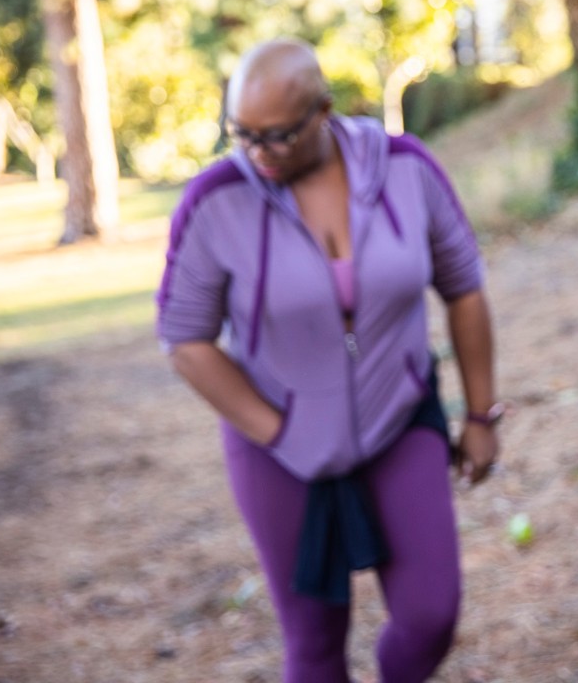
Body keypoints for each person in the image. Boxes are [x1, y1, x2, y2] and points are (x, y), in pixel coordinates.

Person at [156, 38, 501, 682]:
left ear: (324, 110)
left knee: (431, 616)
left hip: (400, 419)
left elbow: (464, 288)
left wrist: (481, 413)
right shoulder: (213, 201)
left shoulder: (406, 167)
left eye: (280, 135)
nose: (260, 153)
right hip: (279, 445)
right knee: (313, 643)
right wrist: (280, 432)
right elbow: (185, 338)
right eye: (244, 135)